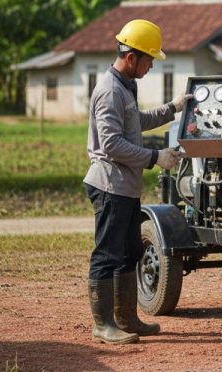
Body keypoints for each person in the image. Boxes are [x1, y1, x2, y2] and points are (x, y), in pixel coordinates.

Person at [84, 19, 191, 344]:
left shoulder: (125, 86)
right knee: (107, 254)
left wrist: (171, 109)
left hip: (125, 187)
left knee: (129, 251)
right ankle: (103, 325)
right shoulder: (109, 91)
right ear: (132, 57)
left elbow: (135, 123)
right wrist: (154, 157)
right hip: (109, 186)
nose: (151, 66)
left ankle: (127, 318)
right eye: (149, 60)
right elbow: (112, 144)